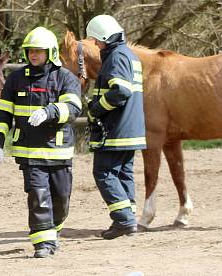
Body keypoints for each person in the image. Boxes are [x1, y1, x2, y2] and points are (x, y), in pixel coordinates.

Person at [0, 27, 82, 258]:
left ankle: (52, 231)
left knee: (61, 199)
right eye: (30, 51)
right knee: (39, 197)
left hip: (58, 152)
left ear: (50, 52)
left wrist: (49, 111)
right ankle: (43, 243)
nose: (33, 55)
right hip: (29, 153)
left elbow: (73, 107)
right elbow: (3, 114)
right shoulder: (16, 79)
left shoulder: (65, 78)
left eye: (38, 51)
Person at [85, 14, 146, 239]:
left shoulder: (116, 56)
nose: (96, 44)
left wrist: (95, 109)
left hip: (116, 129)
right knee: (122, 173)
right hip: (129, 129)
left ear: (104, 37)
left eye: (96, 40)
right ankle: (127, 218)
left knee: (103, 173)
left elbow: (120, 91)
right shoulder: (129, 55)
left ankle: (124, 220)